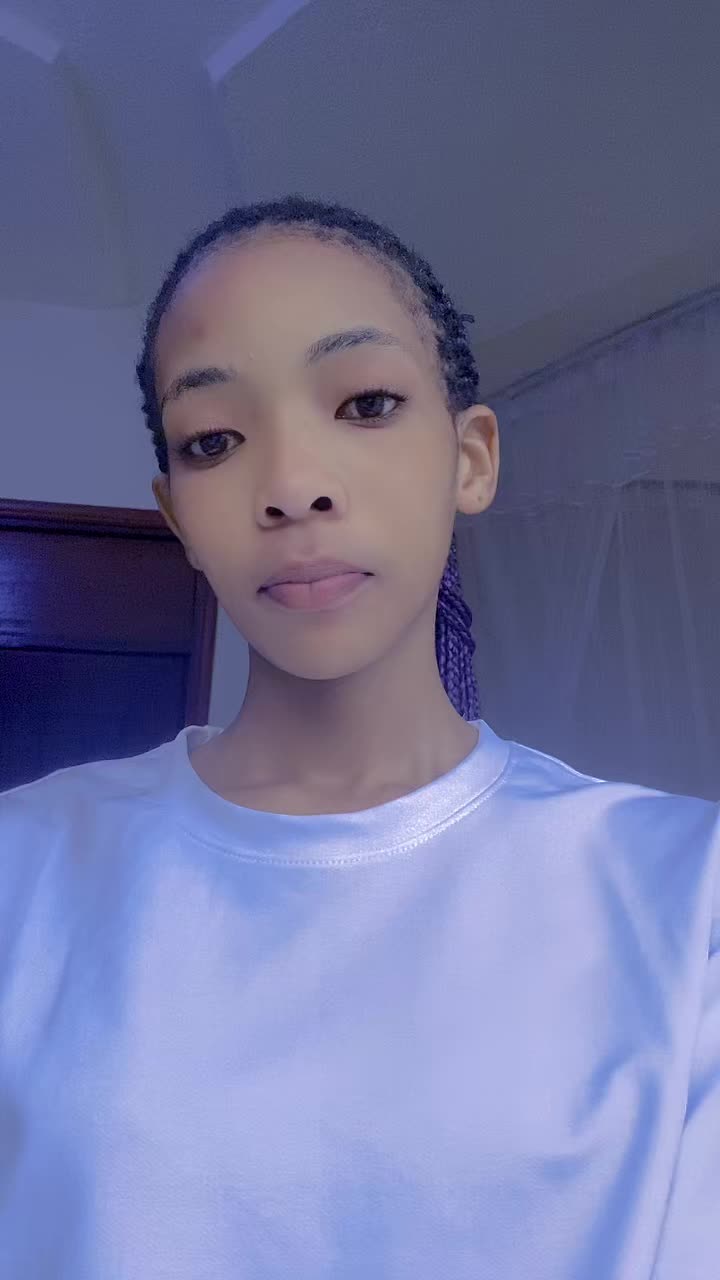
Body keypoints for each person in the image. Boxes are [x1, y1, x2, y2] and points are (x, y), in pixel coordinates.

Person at [0, 194, 717, 1279]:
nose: (293, 486)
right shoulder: (25, 866)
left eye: (366, 402)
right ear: (178, 514)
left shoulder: (686, 894)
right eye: (215, 440)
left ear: (471, 458)